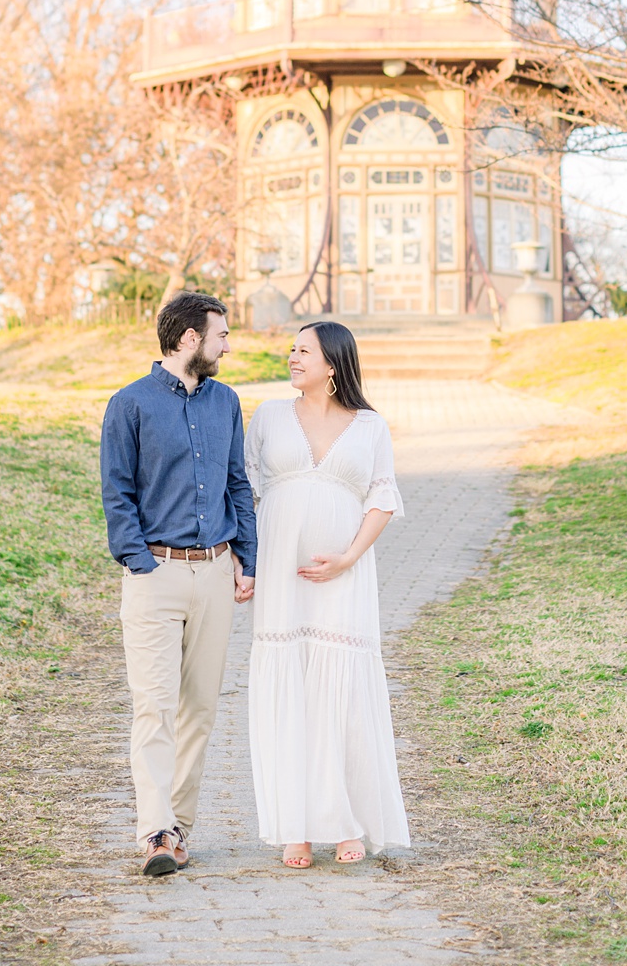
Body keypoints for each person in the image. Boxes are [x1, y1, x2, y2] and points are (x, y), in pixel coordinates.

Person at [99, 291, 256, 877]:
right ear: (189, 338)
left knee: (201, 709)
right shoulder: (130, 404)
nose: (227, 345)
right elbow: (117, 491)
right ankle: (155, 830)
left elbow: (237, 483)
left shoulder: (226, 403)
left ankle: (179, 828)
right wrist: (140, 561)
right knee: (154, 707)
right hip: (155, 576)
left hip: (216, 573)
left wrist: (248, 558)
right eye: (220, 335)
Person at [245, 320, 410, 866]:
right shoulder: (268, 416)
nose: (292, 357)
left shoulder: (369, 426)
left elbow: (382, 497)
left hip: (344, 577)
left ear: (333, 365)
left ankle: (347, 823)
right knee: (290, 693)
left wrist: (348, 557)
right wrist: (244, 566)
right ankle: (295, 826)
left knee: (342, 696)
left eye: (304, 351)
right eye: (291, 349)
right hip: (281, 579)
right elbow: (243, 489)